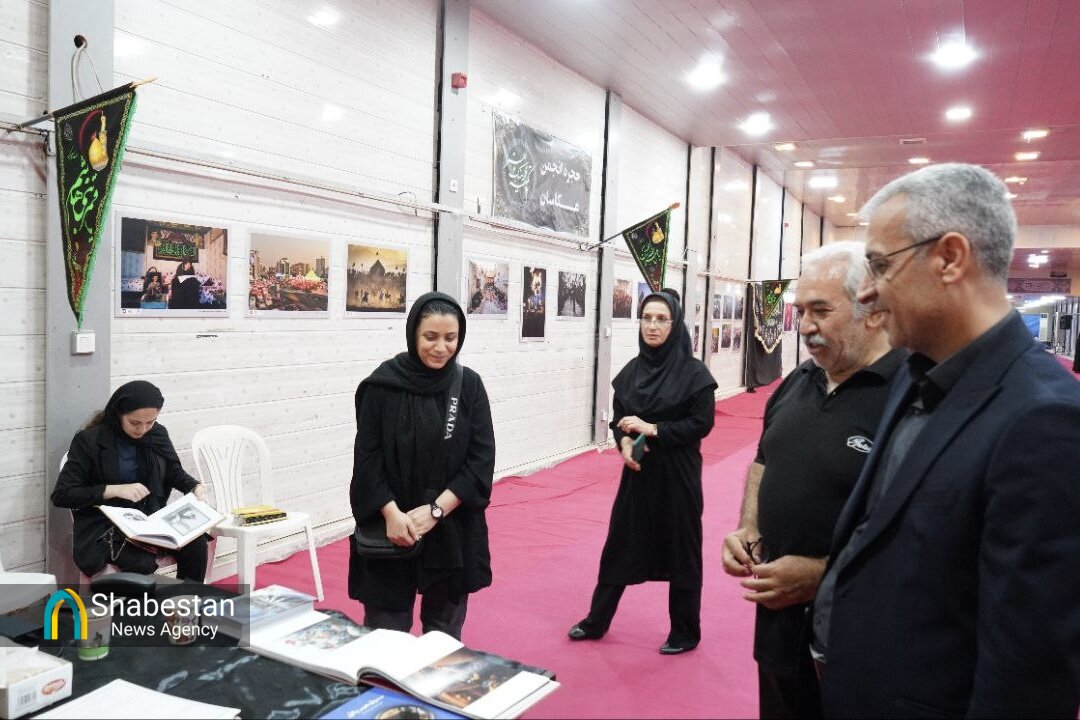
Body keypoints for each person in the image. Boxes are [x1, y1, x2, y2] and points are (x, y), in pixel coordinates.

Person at [811, 163, 1080, 718]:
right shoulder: (916, 371)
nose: (867, 291)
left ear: (950, 258)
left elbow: (1027, 671)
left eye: (880, 265)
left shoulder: (1044, 420)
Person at [721, 242, 905, 719]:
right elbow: (764, 461)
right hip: (779, 627)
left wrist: (822, 575)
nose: (804, 326)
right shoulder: (798, 380)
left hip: (862, 639)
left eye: (821, 311)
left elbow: (923, 535)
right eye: (801, 311)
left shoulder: (909, 396)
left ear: (872, 310)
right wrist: (748, 527)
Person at [568, 290, 717, 654]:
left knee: (682, 551)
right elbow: (621, 420)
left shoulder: (695, 374)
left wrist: (653, 429)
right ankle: (597, 620)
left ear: (675, 324)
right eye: (647, 318)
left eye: (661, 319)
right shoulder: (632, 373)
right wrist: (623, 443)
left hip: (678, 477)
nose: (652, 326)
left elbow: (701, 424)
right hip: (639, 476)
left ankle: (685, 632)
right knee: (619, 545)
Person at [348, 291, 495, 640]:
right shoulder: (382, 385)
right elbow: (367, 460)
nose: (441, 348)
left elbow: (480, 461)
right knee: (385, 637)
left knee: (442, 641)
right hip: (391, 528)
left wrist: (436, 511)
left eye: (450, 338)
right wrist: (391, 514)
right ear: (413, 333)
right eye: (430, 337)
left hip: (451, 528)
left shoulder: (469, 385)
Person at [51, 380, 210, 582]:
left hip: (148, 518)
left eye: (150, 422)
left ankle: (187, 598)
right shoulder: (90, 441)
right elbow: (63, 494)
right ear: (119, 414)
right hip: (105, 525)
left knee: (196, 544)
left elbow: (173, 471)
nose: (142, 429)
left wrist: (194, 487)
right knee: (139, 561)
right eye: (135, 423)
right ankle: (136, 603)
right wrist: (113, 490)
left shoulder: (156, 434)